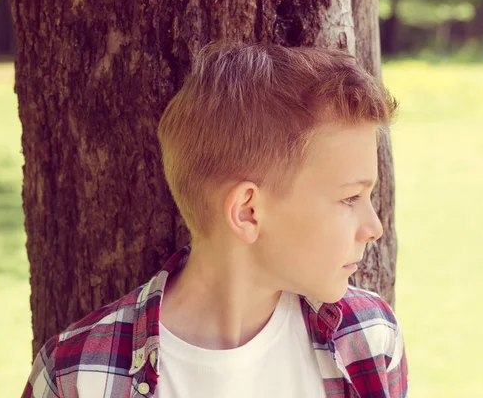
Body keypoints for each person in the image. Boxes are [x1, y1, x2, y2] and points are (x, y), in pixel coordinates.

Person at [22, 42, 408, 398]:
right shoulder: (77, 378)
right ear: (247, 211)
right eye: (350, 197)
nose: (374, 227)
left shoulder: (370, 337)